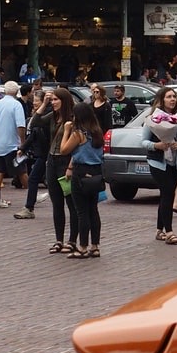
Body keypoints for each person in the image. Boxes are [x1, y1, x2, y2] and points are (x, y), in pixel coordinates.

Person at [142, 85, 177, 245]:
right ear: (162, 100)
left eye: (174, 96)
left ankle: (159, 230)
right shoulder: (153, 116)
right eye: (169, 97)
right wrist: (156, 146)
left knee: (166, 195)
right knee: (168, 192)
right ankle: (169, 232)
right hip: (158, 162)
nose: (172, 99)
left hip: (175, 160)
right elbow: (144, 141)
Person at [65, 101, 105, 258]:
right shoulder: (96, 131)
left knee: (82, 212)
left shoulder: (78, 133)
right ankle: (95, 245)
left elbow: (64, 149)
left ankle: (82, 246)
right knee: (93, 209)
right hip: (95, 171)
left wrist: (67, 131)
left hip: (81, 172)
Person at [45, 88, 80, 254]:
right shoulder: (53, 117)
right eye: (52, 100)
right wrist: (44, 103)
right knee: (56, 203)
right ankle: (58, 240)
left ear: (64, 101)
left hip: (65, 162)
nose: (53, 103)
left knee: (72, 203)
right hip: (52, 160)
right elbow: (35, 122)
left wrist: (71, 166)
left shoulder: (72, 120)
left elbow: (79, 145)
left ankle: (72, 240)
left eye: (55, 100)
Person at [0, 81, 26, 210]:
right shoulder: (16, 105)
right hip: (11, 144)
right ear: (16, 92)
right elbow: (20, 125)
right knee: (21, 170)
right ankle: (32, 195)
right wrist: (23, 141)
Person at [14, 86, 53, 219]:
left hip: (50, 154)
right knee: (34, 179)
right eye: (34, 100)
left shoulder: (48, 115)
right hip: (42, 154)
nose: (34, 102)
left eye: (37, 100)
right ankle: (29, 208)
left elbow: (38, 126)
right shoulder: (39, 114)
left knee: (56, 183)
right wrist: (23, 148)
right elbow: (33, 134)